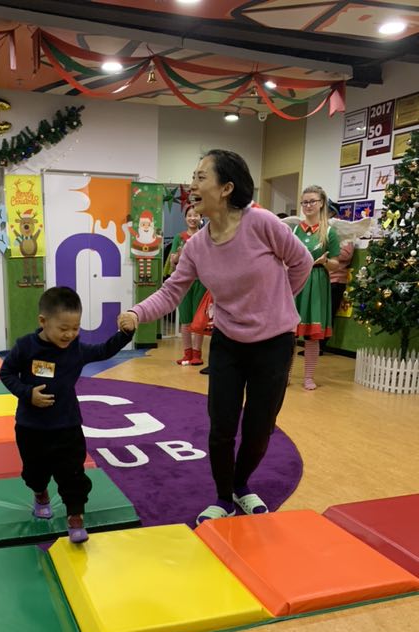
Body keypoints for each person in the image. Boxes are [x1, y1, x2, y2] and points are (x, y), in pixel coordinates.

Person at [118, 150, 313, 523]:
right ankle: (224, 497)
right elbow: (171, 291)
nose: (192, 185)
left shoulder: (262, 223)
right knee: (221, 426)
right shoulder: (196, 246)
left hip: (274, 343)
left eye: (201, 177)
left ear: (226, 188)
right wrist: (136, 312)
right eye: (193, 176)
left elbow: (301, 261)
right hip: (227, 342)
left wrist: (278, 303)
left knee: (259, 428)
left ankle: (242, 486)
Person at [0, 286, 133, 543]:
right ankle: (40, 494)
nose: (70, 334)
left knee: (72, 474)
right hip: (31, 427)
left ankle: (75, 517)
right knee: (34, 473)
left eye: (76, 328)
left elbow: (104, 350)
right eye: (63, 329)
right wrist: (27, 393)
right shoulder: (26, 347)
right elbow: (6, 373)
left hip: (67, 426)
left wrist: (125, 334)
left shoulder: (76, 350)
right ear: (43, 321)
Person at [292, 186, 341, 389]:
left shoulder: (329, 231)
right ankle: (284, 376)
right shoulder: (295, 229)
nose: (308, 206)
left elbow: (336, 263)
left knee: (312, 335)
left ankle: (309, 377)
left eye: (312, 201)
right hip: (296, 282)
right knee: (289, 335)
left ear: (321, 203)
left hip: (318, 282)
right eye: (304, 202)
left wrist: (324, 262)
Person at [166, 204, 206, 366]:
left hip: (202, 282)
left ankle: (197, 354)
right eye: (190, 215)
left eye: (196, 215)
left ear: (201, 218)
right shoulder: (179, 237)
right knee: (185, 319)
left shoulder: (205, 236)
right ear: (185, 218)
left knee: (199, 320)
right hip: (184, 282)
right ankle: (187, 353)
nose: (192, 218)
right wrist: (180, 254)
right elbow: (173, 260)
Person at [321, 199, 354, 354]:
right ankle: (314, 346)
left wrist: (329, 249)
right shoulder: (323, 228)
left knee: (328, 314)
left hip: (336, 280)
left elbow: (347, 254)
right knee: (318, 313)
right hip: (322, 278)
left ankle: (321, 345)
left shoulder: (343, 229)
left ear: (333, 212)